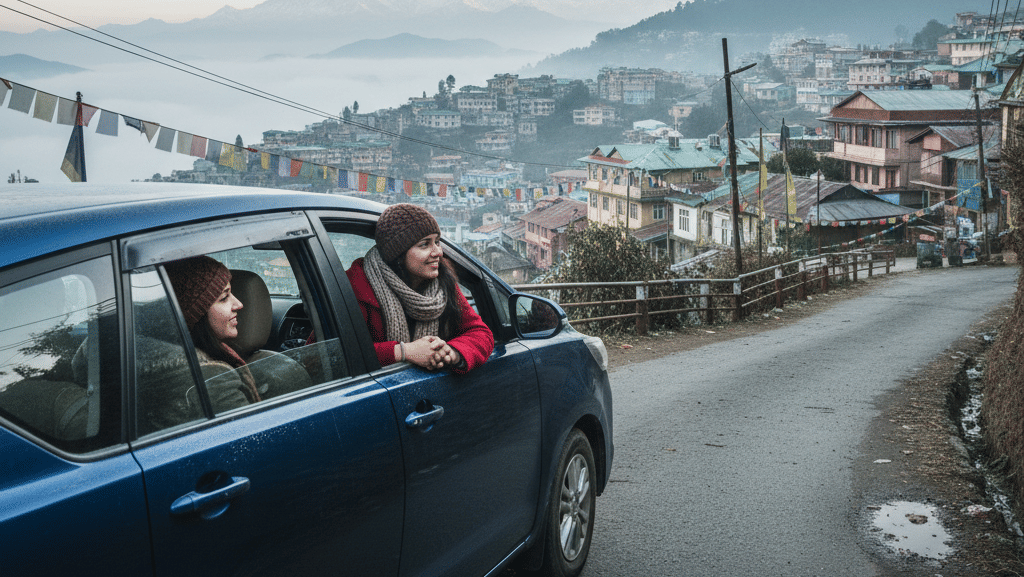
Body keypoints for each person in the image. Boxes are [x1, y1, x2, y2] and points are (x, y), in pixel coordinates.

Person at [346, 203, 494, 373]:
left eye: (437, 242)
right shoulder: (357, 287)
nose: (438, 252)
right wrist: (404, 352)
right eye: (425, 244)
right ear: (398, 255)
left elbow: (481, 333)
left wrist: (451, 352)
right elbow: (331, 356)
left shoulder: (443, 284)